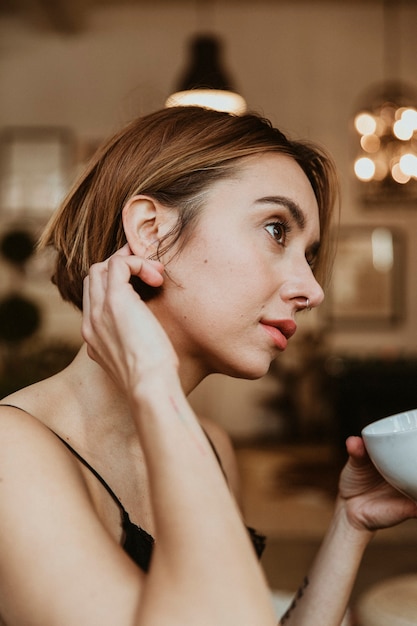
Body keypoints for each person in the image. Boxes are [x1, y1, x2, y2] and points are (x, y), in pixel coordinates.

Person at [0, 106, 415, 626]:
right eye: (275, 229)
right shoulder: (10, 453)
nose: (312, 290)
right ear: (150, 231)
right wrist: (151, 378)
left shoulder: (211, 447)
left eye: (308, 255)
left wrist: (350, 524)